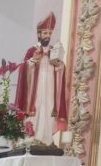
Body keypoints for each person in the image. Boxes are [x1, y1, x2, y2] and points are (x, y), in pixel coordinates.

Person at [14, 12, 68, 146]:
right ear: (39, 34)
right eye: (45, 33)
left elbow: (60, 70)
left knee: (48, 108)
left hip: (49, 88)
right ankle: (32, 137)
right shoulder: (32, 50)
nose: (48, 36)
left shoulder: (53, 50)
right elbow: (23, 69)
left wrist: (59, 66)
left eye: (50, 33)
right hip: (35, 90)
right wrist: (33, 60)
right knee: (36, 109)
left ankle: (46, 139)